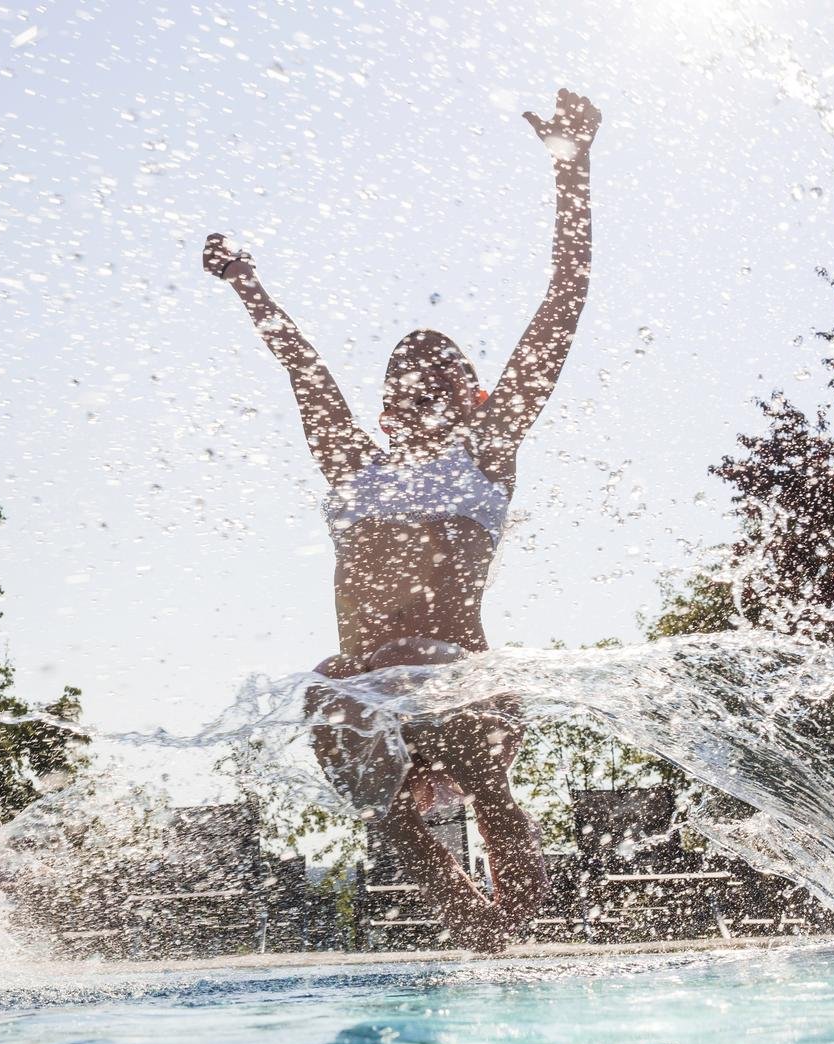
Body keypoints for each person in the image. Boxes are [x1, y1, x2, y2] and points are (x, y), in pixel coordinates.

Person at [205, 88, 601, 949]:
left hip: (465, 689)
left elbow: (561, 303)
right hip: (372, 700)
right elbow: (300, 364)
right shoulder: (355, 468)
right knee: (329, 683)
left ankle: (503, 913)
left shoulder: (487, 453)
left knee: (435, 698)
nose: (417, 383)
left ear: (475, 396)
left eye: (439, 374)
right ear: (385, 410)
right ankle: (454, 899)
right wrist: (248, 285)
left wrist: (572, 170)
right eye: (402, 380)